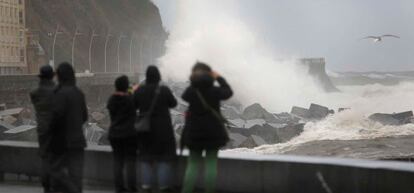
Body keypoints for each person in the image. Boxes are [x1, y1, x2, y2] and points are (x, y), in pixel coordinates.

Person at [180, 62, 233, 193]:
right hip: (213, 133)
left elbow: (184, 96)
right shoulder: (215, 91)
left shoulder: (191, 91)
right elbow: (228, 92)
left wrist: (194, 81)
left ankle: (186, 191)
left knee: (192, 164)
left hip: (195, 133)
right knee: (211, 164)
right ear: (210, 74)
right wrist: (219, 78)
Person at [133, 66, 178, 192]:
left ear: (147, 77)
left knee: (146, 157)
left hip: (145, 130)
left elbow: (133, 104)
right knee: (163, 158)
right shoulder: (163, 90)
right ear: (158, 76)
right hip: (163, 130)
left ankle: (146, 186)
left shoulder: (140, 90)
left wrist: (134, 90)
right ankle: (163, 186)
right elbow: (174, 103)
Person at [49, 62, 88, 193]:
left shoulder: (59, 94)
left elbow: (55, 118)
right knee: (76, 176)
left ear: (59, 76)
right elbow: (84, 117)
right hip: (78, 142)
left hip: (62, 143)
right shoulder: (79, 93)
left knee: (58, 175)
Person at [107, 75, 138, 193]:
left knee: (118, 162)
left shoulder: (111, 99)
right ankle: (132, 187)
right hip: (129, 134)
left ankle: (119, 188)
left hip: (115, 134)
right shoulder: (130, 99)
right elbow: (135, 107)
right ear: (126, 86)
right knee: (130, 162)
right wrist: (131, 90)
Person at [30, 65, 56, 193]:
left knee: (45, 158)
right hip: (56, 130)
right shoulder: (58, 91)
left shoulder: (34, 93)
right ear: (53, 76)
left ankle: (46, 185)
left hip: (42, 130)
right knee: (57, 158)